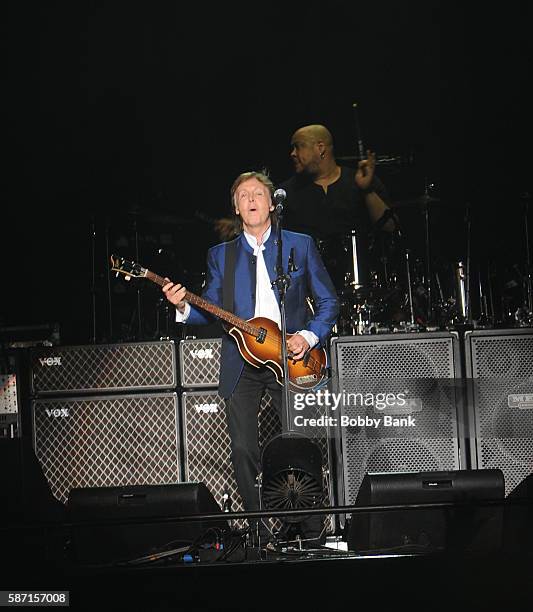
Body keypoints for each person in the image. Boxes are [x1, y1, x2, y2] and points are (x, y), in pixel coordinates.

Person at [163, 171, 339, 544]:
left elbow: (328, 302)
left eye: (258, 193)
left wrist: (307, 337)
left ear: (271, 203)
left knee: (300, 442)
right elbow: (208, 311)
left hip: (290, 359)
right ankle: (262, 531)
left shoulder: (299, 245)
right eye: (243, 195)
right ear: (236, 207)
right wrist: (182, 307)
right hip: (241, 360)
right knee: (243, 449)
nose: (252, 199)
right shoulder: (220, 256)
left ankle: (309, 531)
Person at [280, 124, 398, 289]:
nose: (292, 154)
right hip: (308, 291)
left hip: (363, 287)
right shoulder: (285, 193)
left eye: (298, 147)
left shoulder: (359, 180)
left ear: (320, 148)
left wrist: (367, 191)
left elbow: (390, 226)